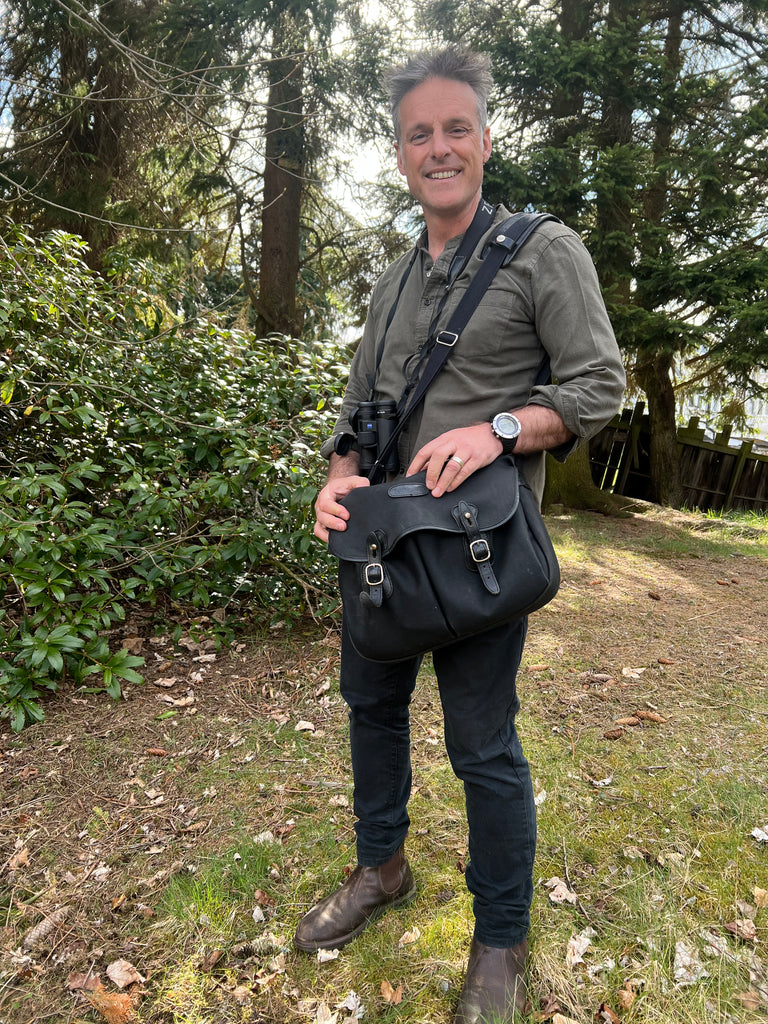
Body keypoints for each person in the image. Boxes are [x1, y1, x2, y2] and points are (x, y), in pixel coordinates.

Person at [294, 46, 625, 1023]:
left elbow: (598, 386)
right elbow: (360, 406)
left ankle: (500, 938)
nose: (438, 148)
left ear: (486, 139)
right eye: (418, 134)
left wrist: (502, 430)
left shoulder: (542, 250)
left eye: (455, 129)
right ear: (401, 153)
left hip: (479, 551)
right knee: (372, 712)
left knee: (484, 748)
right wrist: (338, 475)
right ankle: (381, 868)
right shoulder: (394, 279)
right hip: (383, 553)